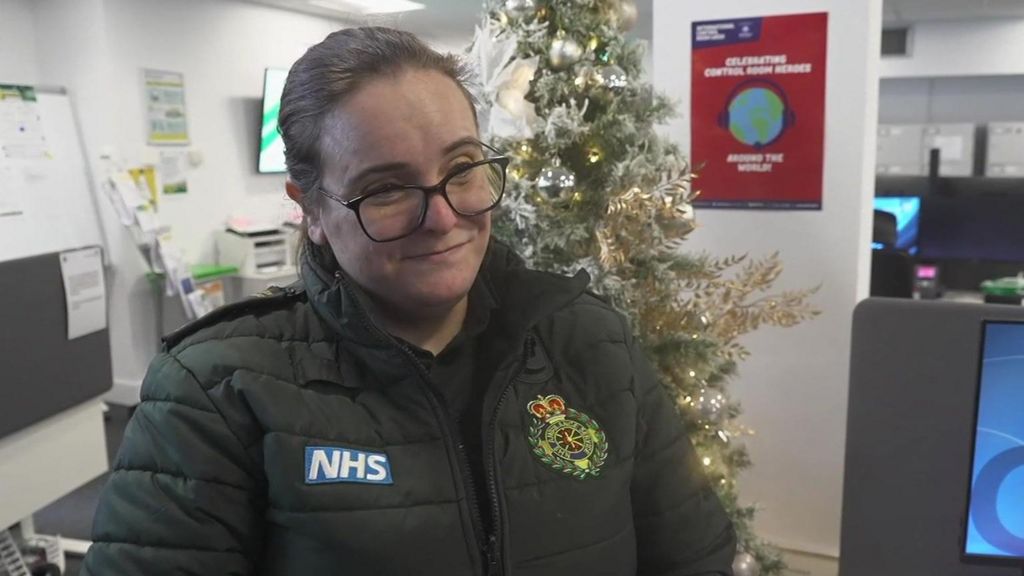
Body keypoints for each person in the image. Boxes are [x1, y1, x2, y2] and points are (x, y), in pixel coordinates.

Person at [82, 26, 736, 576]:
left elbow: (694, 556)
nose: (444, 215)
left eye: (462, 167)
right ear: (310, 209)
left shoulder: (590, 341)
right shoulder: (216, 392)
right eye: (387, 189)